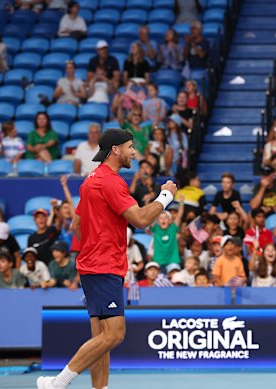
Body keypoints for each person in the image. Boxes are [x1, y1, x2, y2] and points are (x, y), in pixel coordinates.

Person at [36, 129, 178, 389]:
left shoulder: (90, 180)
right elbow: (142, 219)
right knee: (114, 334)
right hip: (104, 266)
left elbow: (76, 224)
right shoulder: (111, 181)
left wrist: (96, 240)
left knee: (100, 337)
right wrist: (166, 196)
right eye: (130, 147)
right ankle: (58, 383)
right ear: (116, 150)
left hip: (92, 265)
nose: (134, 152)